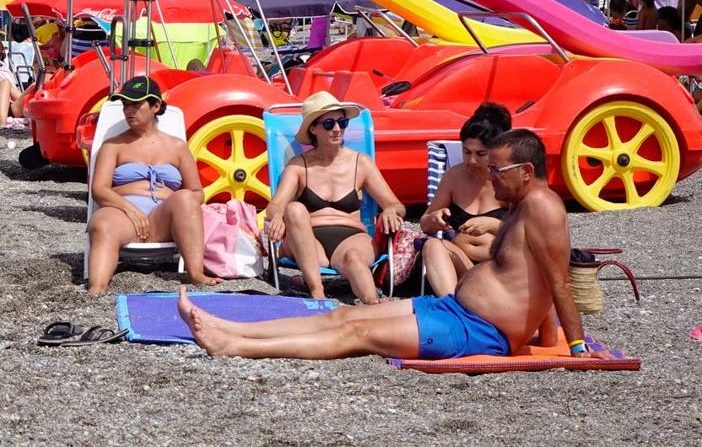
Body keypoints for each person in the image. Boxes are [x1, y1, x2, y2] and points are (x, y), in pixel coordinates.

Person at [179, 129, 615, 363]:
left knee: (357, 334)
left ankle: (235, 347)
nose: (490, 176)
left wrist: (575, 347)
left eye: (497, 170)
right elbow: (534, 280)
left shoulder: (542, 204)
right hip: (457, 312)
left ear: (526, 170)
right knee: (345, 313)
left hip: (480, 332)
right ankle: (229, 328)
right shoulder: (526, 204)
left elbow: (557, 280)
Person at [261, 91, 404, 304]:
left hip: (350, 238)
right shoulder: (299, 165)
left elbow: (395, 204)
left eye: (342, 122)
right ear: (313, 129)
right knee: (294, 209)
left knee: (354, 258)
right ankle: (318, 292)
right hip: (308, 241)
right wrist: (279, 215)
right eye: (328, 123)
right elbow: (276, 205)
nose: (337, 129)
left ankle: (373, 303)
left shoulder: (361, 163)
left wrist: (391, 210)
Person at [86, 76, 221, 295]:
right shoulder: (113, 145)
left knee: (186, 198)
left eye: (136, 105)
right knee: (102, 224)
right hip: (124, 216)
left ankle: (196, 274)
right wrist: (130, 209)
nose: (129, 111)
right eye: (126, 105)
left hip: (163, 219)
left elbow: (197, 192)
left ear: (155, 106)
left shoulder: (177, 147)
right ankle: (96, 288)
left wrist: (178, 202)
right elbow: (99, 189)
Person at [419, 103, 512, 296]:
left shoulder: (508, 181)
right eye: (466, 152)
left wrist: (494, 225)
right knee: (432, 246)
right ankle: (452, 307)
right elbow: (425, 225)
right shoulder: (454, 176)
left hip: (502, 271)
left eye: (481, 154)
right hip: (464, 266)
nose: (471, 161)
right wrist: (434, 218)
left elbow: (532, 232)